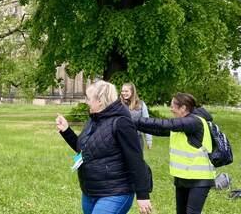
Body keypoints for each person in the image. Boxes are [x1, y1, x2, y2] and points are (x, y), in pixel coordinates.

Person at [55, 80, 153, 214]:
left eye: (88, 98)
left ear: (100, 100)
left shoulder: (122, 122)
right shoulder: (94, 119)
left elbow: (135, 159)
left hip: (116, 192)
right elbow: (84, 150)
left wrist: (143, 194)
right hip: (91, 191)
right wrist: (66, 131)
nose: (86, 101)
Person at [129, 93, 215, 214]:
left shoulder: (194, 122)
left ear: (183, 108)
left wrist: (131, 119)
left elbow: (164, 124)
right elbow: (158, 129)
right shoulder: (182, 124)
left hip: (200, 179)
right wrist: (132, 124)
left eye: (173, 106)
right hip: (182, 177)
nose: (171, 109)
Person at [120, 83, 153, 149]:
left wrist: (149, 140)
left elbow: (147, 123)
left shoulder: (141, 104)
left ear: (132, 92)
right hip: (122, 139)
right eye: (122, 91)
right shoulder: (119, 104)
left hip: (137, 139)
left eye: (126, 91)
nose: (124, 93)